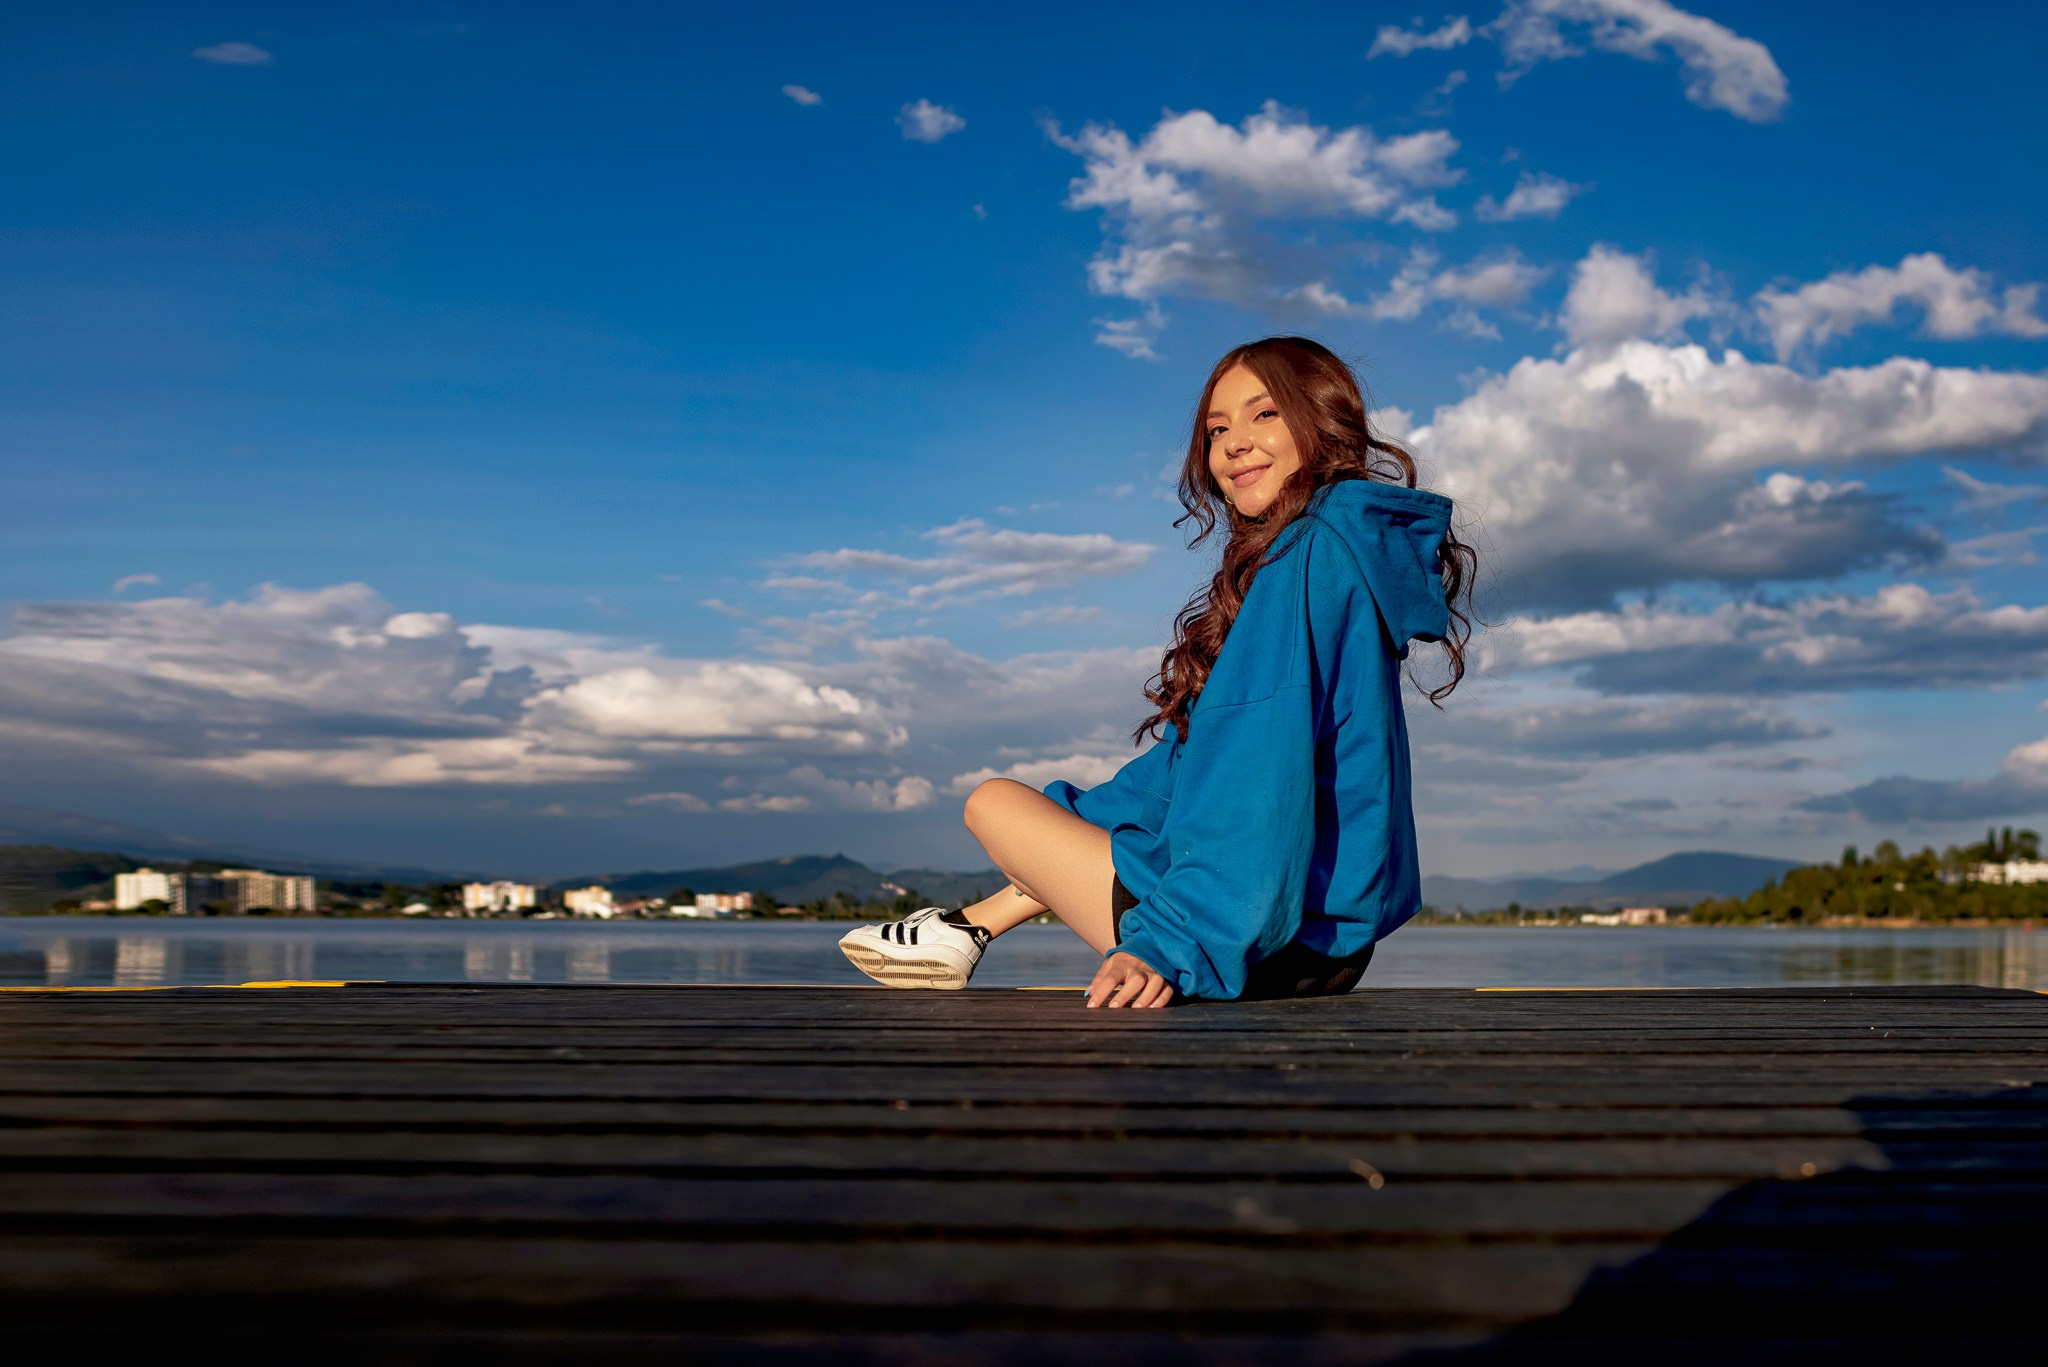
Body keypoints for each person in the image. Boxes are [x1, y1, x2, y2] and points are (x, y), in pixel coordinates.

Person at [839, 336, 1476, 1007]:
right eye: (1217, 429)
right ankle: (965, 928)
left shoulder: (1306, 556)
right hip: (1328, 941)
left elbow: (1250, 777)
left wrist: (1167, 945)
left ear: (1322, 421)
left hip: (1256, 941)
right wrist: (1070, 831)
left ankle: (966, 930)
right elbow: (1183, 775)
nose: (1234, 444)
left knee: (993, 804)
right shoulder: (1340, 550)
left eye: (1264, 414)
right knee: (1068, 821)